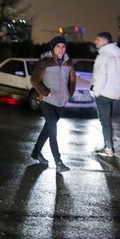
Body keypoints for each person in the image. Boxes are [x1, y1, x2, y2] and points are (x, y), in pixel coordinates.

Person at [30, 36, 76, 172]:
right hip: (48, 101)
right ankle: (59, 162)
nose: (61, 50)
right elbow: (34, 79)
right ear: (53, 48)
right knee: (53, 130)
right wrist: (45, 92)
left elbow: (72, 80)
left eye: (63, 47)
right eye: (58, 47)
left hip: (61, 102)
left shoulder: (69, 62)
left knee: (47, 129)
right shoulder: (45, 62)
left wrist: (70, 93)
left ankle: (36, 152)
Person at [90, 32, 120, 157]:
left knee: (104, 121)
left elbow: (100, 76)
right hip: (114, 92)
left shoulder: (103, 56)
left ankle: (108, 148)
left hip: (103, 93)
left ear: (105, 41)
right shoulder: (119, 56)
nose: (95, 42)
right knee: (107, 120)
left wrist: (96, 92)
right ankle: (109, 144)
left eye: (97, 39)